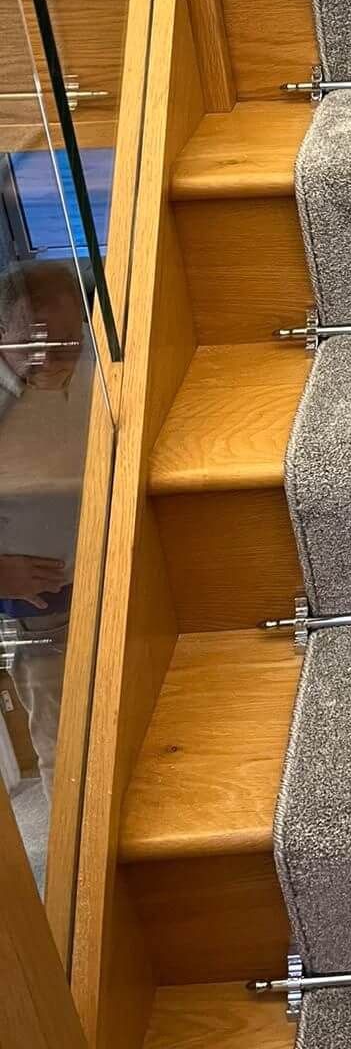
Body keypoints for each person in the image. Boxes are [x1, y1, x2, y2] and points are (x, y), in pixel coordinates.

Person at [0, 258, 84, 802]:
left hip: (121, 593)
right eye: (34, 339)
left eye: (66, 338)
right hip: (42, 624)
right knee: (66, 754)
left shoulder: (106, 380)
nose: (49, 355)